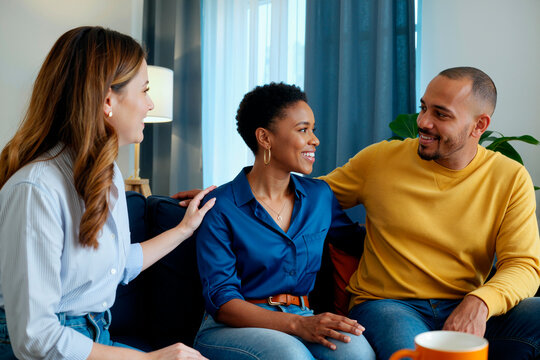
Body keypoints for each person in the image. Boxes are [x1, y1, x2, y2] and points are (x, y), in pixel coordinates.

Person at [0, 26, 215, 360]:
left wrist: (184, 229)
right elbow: (35, 338)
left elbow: (118, 265)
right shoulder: (36, 190)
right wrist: (149, 358)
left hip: (94, 336)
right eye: (144, 90)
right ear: (107, 101)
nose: (150, 103)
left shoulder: (107, 174)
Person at [320, 67, 540, 359]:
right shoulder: (379, 160)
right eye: (423, 108)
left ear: (479, 125)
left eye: (441, 114)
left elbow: (523, 265)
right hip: (388, 305)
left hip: (466, 304)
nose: (423, 122)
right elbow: (305, 199)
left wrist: (480, 302)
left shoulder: (509, 177)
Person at [192, 83, 375, 359]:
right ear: (265, 138)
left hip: (301, 314)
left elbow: (357, 241)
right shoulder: (220, 208)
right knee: (291, 356)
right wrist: (298, 325)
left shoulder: (319, 197)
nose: (315, 140)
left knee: (356, 352)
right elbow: (223, 303)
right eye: (303, 130)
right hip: (231, 326)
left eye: (313, 129)